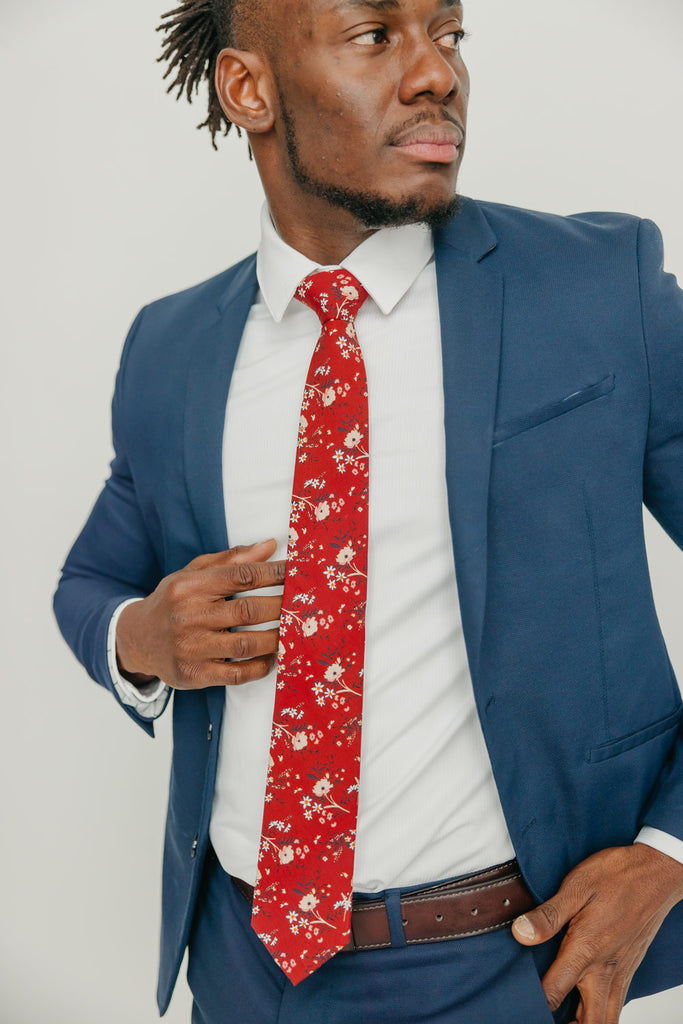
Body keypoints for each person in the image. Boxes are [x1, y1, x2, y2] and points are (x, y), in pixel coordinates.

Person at [53, 0, 683, 1021]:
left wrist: (669, 851)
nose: (436, 73)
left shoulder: (594, 291)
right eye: (375, 35)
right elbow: (91, 582)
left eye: (448, 33)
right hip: (239, 965)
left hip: (506, 964)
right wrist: (141, 637)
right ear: (248, 89)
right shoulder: (172, 348)